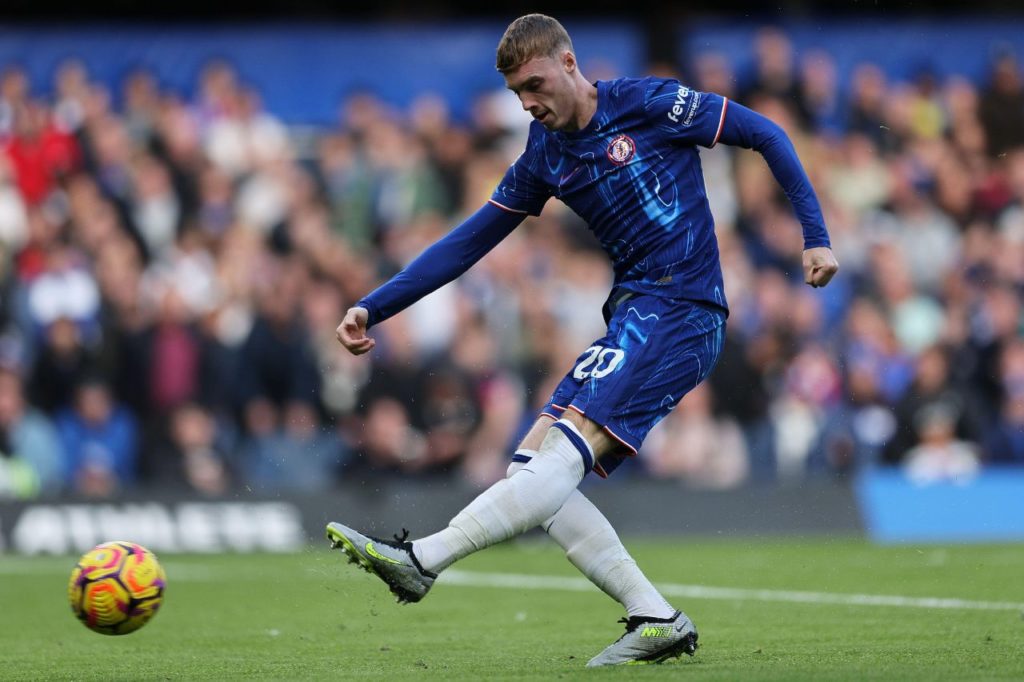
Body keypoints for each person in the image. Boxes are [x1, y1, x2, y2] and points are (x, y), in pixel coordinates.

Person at [327, 14, 838, 667]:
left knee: (558, 461)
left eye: (535, 84)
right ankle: (657, 616)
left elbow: (764, 132)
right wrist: (374, 306)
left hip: (682, 309)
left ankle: (422, 559)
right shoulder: (545, 154)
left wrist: (814, 234)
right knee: (531, 471)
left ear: (569, 63)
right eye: (517, 94)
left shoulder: (651, 103)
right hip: (633, 313)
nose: (528, 103)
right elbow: (468, 242)